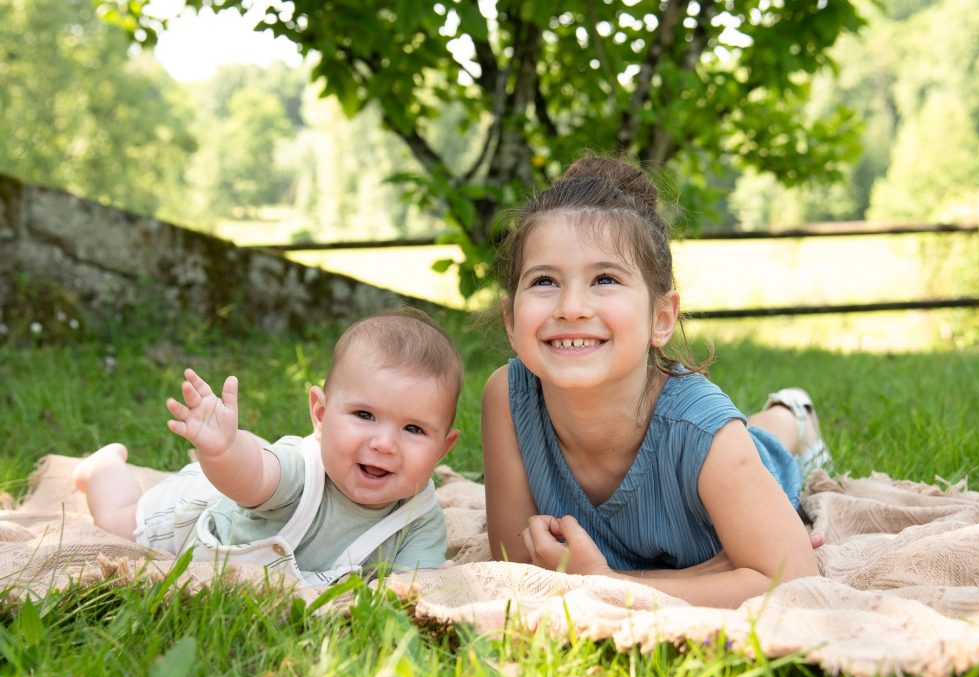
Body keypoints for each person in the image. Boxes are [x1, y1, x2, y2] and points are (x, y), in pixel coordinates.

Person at [481, 156, 832, 609]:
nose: (571, 307)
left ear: (661, 318)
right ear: (511, 318)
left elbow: (792, 576)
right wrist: (703, 574)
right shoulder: (508, 399)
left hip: (739, 464)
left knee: (768, 440)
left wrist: (606, 582)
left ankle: (793, 413)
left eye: (604, 279)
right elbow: (511, 563)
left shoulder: (705, 432)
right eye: (545, 280)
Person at [73, 308, 462, 585]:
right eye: (364, 415)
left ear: (442, 450)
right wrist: (223, 450)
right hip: (194, 518)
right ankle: (103, 467)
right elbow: (252, 479)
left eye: (413, 429)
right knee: (114, 523)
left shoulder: (420, 516)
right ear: (321, 415)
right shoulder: (301, 468)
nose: (384, 444)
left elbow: (415, 586)